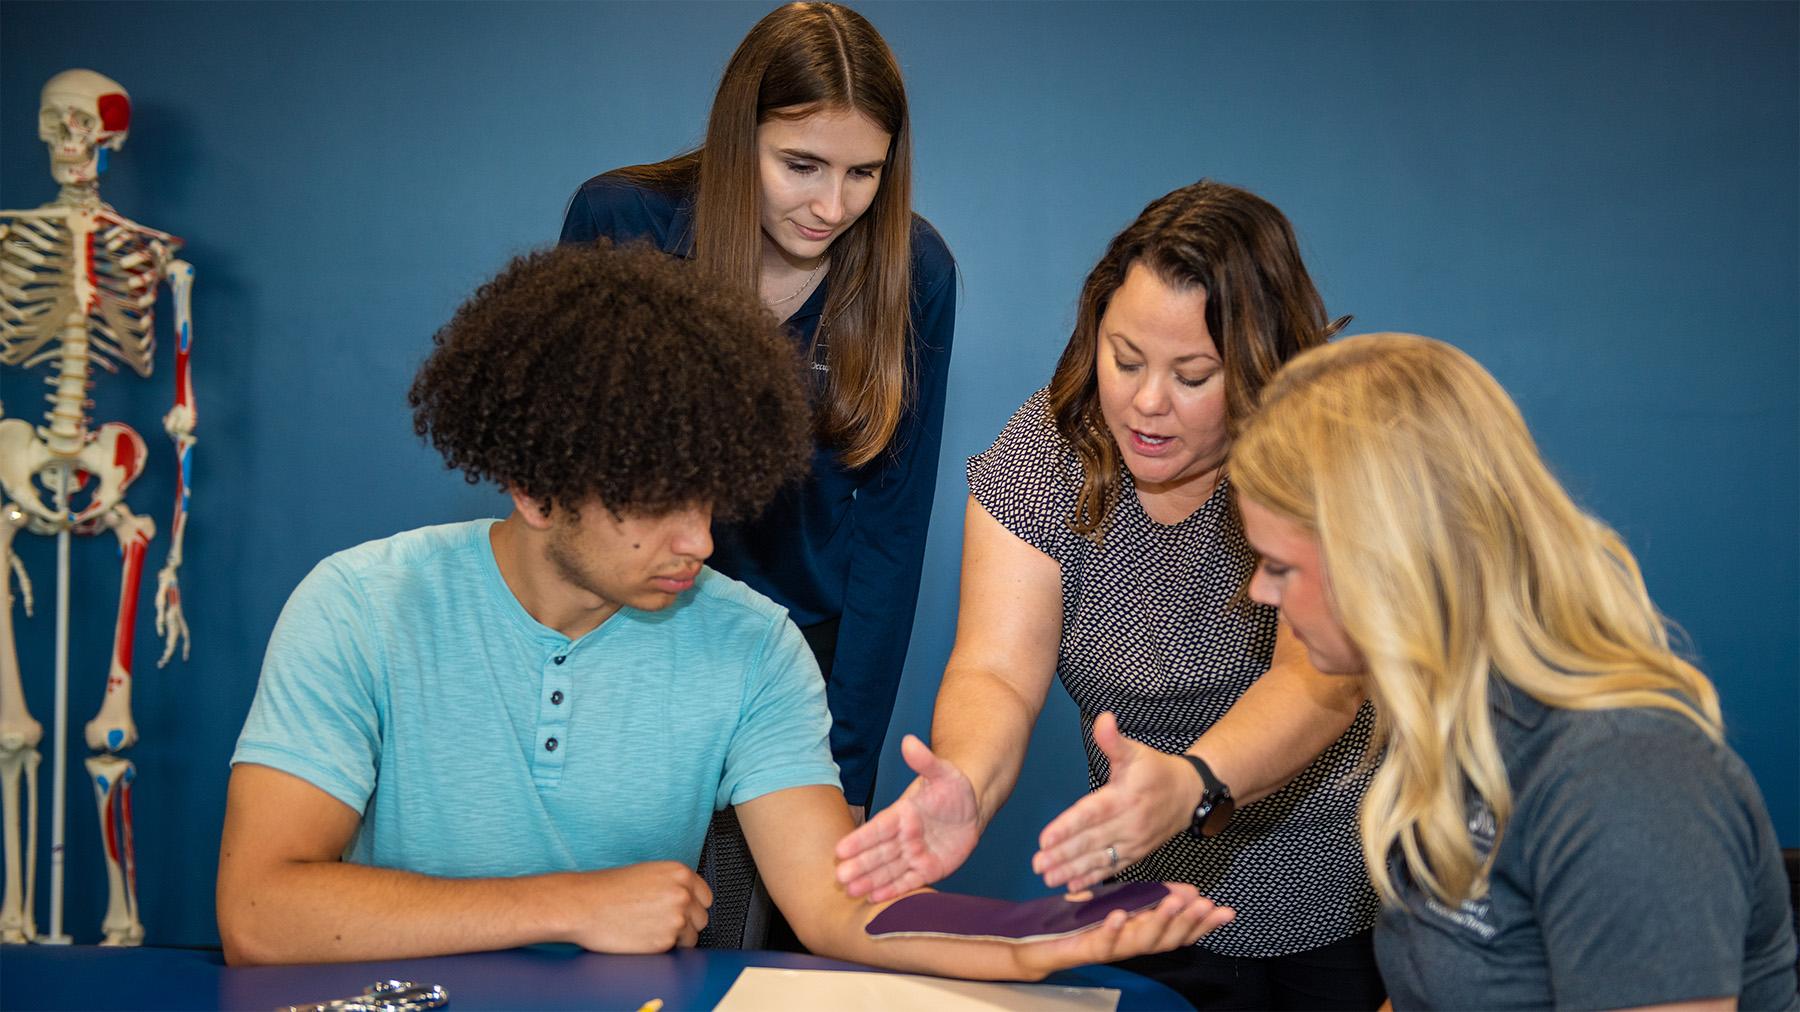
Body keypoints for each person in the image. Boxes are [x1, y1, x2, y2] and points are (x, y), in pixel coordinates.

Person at [214, 241, 1230, 973]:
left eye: (709, 496)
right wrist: (576, 903)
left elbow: (839, 906)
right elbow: (260, 909)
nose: (699, 542)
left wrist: (1033, 937)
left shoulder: (754, 644)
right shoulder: (357, 608)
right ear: (535, 488)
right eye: (655, 508)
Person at [837, 180, 1385, 1009]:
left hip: (1342, 897)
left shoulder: (1320, 457)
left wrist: (1195, 780)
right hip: (1144, 904)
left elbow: (1319, 682)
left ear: (1261, 365)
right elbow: (996, 670)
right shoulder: (1046, 455)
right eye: (1125, 359)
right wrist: (968, 781)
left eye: (1193, 375)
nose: (1147, 402)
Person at [1230, 332, 1799, 1010]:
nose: (1260, 593)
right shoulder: (1460, 732)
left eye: (1280, 566)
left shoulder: (1626, 780)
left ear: (1386, 563)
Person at [559, 2, 954, 825]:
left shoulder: (916, 271)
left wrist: (843, 769)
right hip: (628, 635)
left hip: (801, 663)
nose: (833, 206)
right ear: (742, 135)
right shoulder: (619, 223)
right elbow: (565, 481)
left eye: (863, 173)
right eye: (801, 165)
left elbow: (893, 532)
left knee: (768, 933)